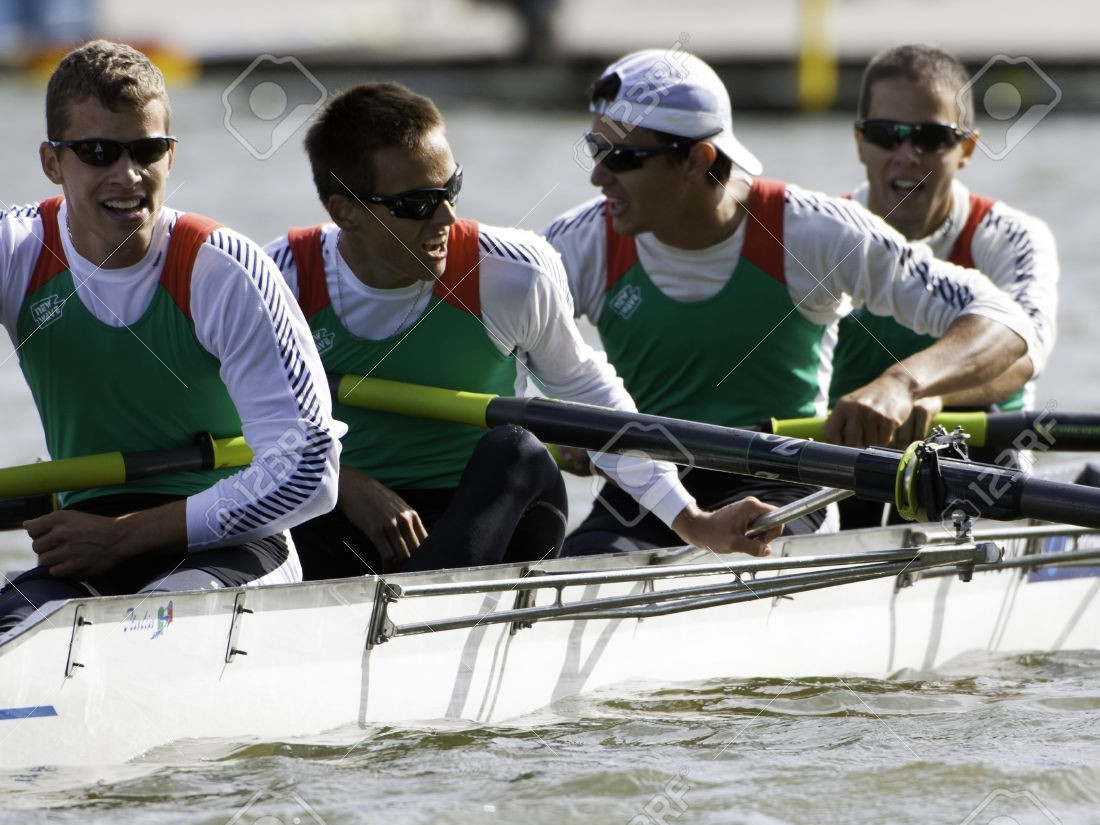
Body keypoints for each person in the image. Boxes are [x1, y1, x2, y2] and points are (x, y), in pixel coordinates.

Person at [0, 41, 342, 646]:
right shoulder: (11, 247)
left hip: (233, 541)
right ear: (52, 162)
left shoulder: (222, 269)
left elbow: (309, 469)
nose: (127, 175)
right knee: (7, 645)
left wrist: (125, 535)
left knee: (145, 636)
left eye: (146, 150)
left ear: (170, 155)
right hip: (87, 542)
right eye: (97, 153)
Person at [265, 82, 781, 580]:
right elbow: (243, 425)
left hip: (489, 512)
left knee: (517, 449)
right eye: (417, 203)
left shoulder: (511, 274)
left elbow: (592, 401)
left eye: (451, 189)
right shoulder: (280, 279)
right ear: (346, 212)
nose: (446, 217)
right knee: (300, 488)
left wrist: (692, 522)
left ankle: (419, 605)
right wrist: (345, 483)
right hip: (347, 517)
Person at [544, 49, 1043, 556]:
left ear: (699, 160)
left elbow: (1004, 320)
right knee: (570, 562)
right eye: (596, 150)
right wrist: (560, 420)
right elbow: (501, 348)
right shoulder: (579, 243)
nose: (598, 177)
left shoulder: (811, 231)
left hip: (786, 488)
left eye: (623, 159)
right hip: (647, 493)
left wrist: (902, 385)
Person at [829, 44, 1059, 526]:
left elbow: (1025, 354)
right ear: (860, 142)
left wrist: (926, 394)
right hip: (845, 458)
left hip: (976, 453)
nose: (906, 156)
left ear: (967, 149)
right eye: (886, 135)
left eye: (931, 139)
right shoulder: (819, 233)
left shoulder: (1011, 237)